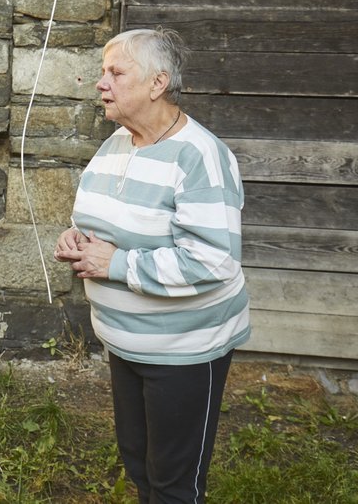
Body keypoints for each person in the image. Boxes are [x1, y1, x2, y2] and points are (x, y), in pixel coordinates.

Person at [54, 28, 250, 503]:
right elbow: (101, 219)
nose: (101, 83)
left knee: (174, 484)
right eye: (103, 72)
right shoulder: (118, 142)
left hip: (184, 348)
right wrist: (77, 238)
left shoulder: (200, 156)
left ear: (157, 83)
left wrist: (117, 263)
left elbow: (214, 260)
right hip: (126, 342)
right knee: (140, 463)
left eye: (115, 73)